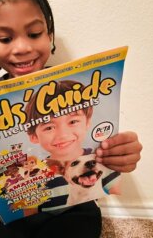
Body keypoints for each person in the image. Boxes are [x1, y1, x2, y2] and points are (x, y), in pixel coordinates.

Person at [0, 0, 142, 237]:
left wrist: (121, 153)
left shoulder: (76, 90)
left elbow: (104, 156)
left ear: (49, 35)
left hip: (72, 207)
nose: (22, 47)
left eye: (34, 34)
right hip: (7, 211)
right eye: (5, 38)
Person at [24, 79, 121, 211]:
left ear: (87, 123)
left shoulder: (99, 159)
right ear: (34, 136)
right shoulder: (35, 173)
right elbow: (30, 213)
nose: (63, 134)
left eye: (73, 121)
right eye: (49, 127)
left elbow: (116, 194)